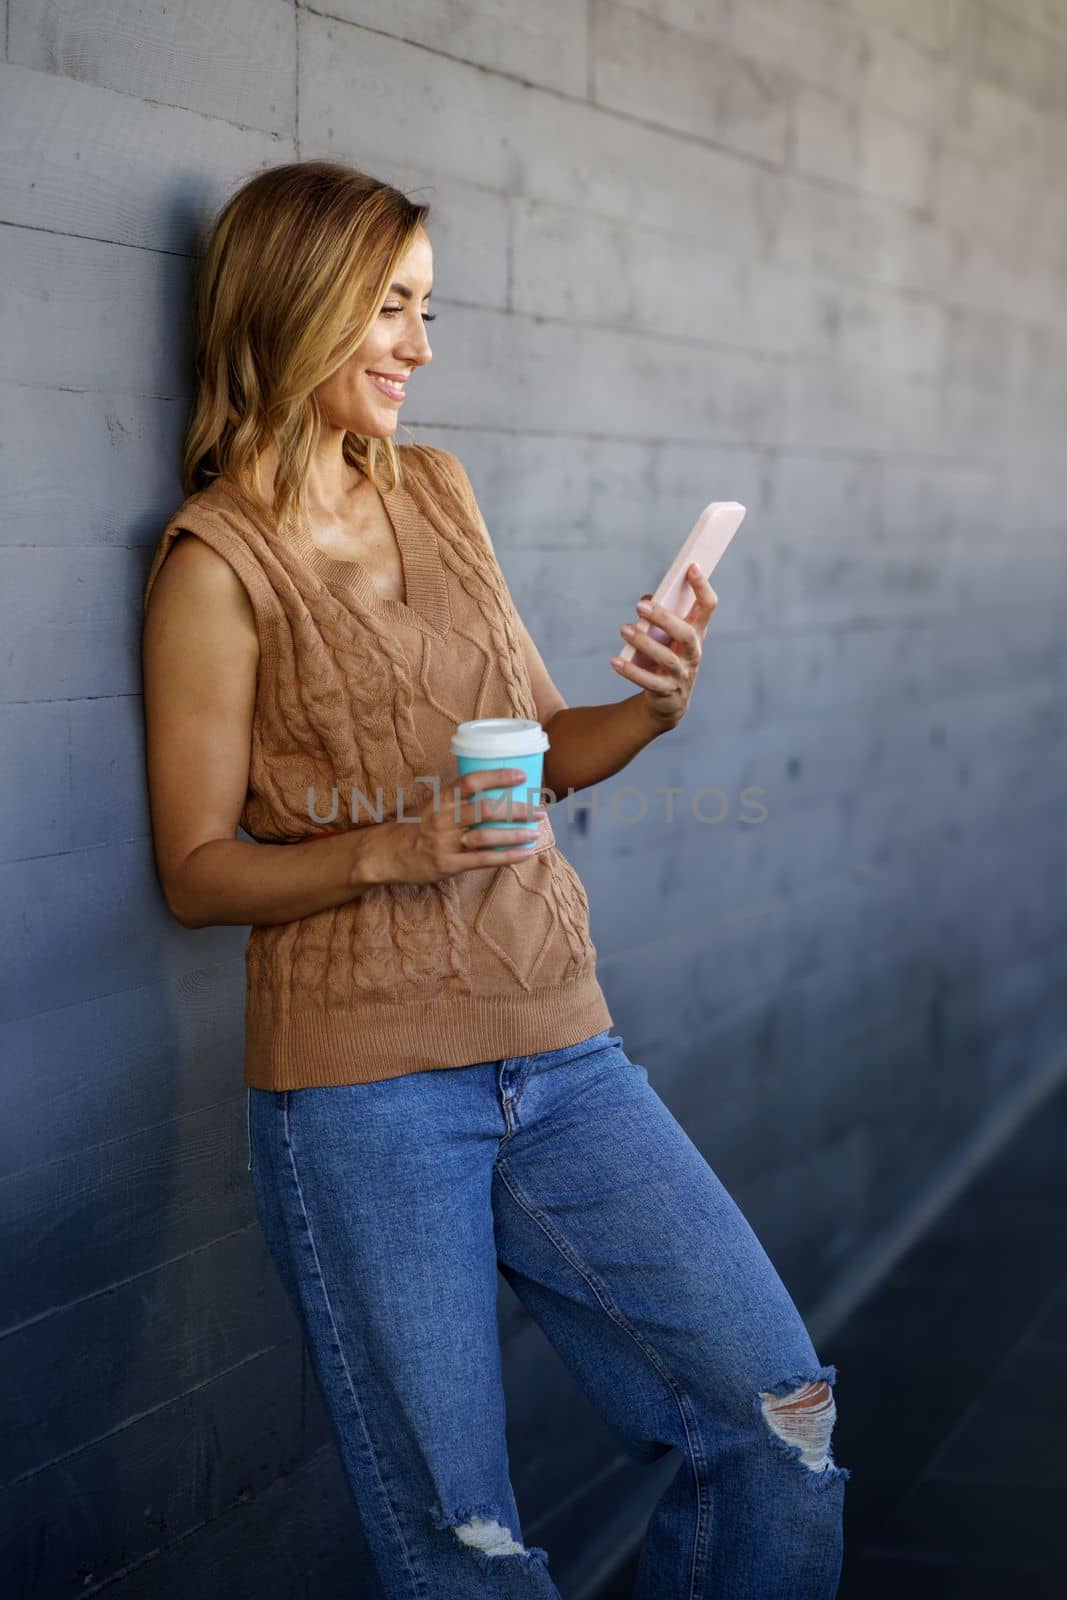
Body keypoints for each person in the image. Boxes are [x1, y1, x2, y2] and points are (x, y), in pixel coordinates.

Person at [141, 159, 849, 1598]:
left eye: (428, 309)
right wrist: (395, 848)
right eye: (388, 308)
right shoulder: (215, 566)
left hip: (564, 1052)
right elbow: (195, 873)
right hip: (364, 1097)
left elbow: (541, 749)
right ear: (293, 308)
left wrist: (651, 707)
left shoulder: (442, 490)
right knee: (469, 1555)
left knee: (780, 1423)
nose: (418, 345)